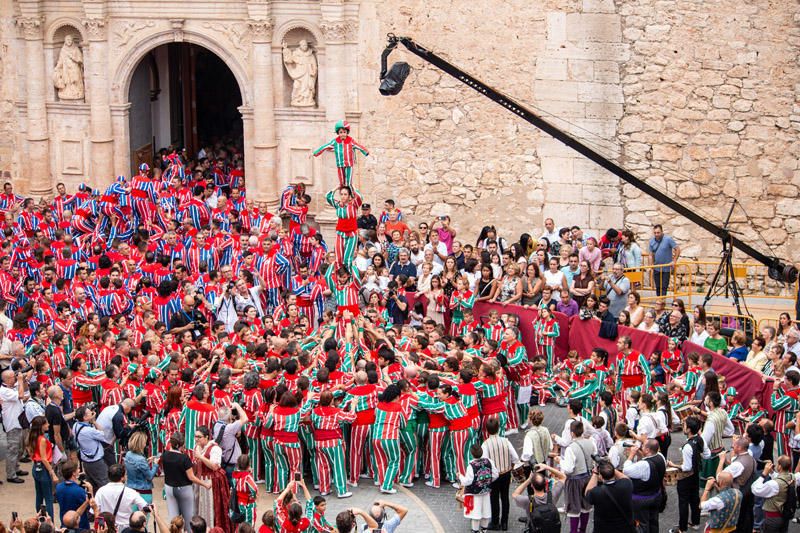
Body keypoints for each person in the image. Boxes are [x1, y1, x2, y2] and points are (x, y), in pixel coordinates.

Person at [162, 432, 212, 530]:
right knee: (189, 520)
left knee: (174, 520)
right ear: (182, 445)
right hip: (184, 489)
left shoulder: (165, 455)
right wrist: (205, 484)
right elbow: (191, 477)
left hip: (169, 489)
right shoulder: (184, 458)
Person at [667, 416, 708, 533]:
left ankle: (682, 528)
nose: (683, 427)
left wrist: (673, 465)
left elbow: (686, 467)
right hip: (696, 475)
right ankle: (695, 523)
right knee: (695, 499)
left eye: (684, 425)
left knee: (683, 502)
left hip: (686, 478)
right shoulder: (700, 439)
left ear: (689, 429)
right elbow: (707, 454)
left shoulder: (687, 447)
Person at [482, 417, 520, 531]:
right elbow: (516, 457)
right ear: (498, 429)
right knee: (505, 497)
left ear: (487, 430)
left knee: (494, 498)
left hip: (494, 477)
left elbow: (485, 462)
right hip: (506, 473)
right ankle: (505, 522)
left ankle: (495, 522)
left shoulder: (485, 445)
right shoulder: (505, 441)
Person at [622, 439, 667, 533]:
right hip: (656, 495)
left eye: (643, 446)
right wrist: (640, 453)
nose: (641, 447)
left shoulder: (644, 465)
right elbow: (648, 460)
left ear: (647, 450)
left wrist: (632, 454)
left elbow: (626, 470)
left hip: (642, 499)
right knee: (654, 522)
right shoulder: (661, 456)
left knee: (642, 525)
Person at [560, 420, 596, 533]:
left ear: (572, 433)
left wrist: (560, 461)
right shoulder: (591, 442)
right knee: (586, 507)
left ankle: (574, 531)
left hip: (574, 481)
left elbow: (568, 469)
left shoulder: (571, 448)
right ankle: (583, 530)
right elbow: (595, 458)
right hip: (589, 478)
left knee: (574, 509)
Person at [585, 461, 635, 533]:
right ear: (614, 473)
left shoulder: (597, 492)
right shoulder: (626, 484)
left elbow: (587, 493)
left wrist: (595, 473)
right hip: (625, 528)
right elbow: (624, 477)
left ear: (601, 476)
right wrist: (609, 467)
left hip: (603, 529)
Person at [94, 464, 149, 531]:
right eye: (125, 474)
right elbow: (146, 507)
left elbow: (96, 510)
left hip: (107, 528)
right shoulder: (131, 492)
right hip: (126, 528)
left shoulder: (100, 491)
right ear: (122, 477)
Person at [751, 455, 798, 533]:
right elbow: (781, 478)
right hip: (785, 515)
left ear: (779, 466)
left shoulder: (773, 484)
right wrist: (772, 472)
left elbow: (755, 489)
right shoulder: (793, 477)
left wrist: (764, 474)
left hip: (773, 518)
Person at [513, 465, 565, 533]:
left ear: (532, 486)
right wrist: (546, 467)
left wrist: (528, 480)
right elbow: (563, 477)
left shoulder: (529, 500)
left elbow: (515, 494)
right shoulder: (551, 496)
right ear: (545, 484)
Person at [459, 443, 498, 533]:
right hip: (486, 491)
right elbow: (495, 475)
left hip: (475, 494)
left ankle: (475, 531)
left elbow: (467, 481)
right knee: (486, 512)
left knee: (476, 514)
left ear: (472, 454)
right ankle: (484, 531)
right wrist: (487, 481)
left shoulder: (471, 465)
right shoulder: (489, 461)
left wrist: (460, 476)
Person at [1, 368, 29, 483]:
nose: (16, 378)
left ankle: (15, 468)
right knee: (12, 449)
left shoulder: (10, 388)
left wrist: (24, 380)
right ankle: (11, 475)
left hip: (18, 422)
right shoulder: (4, 390)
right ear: (7, 379)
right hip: (12, 424)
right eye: (13, 377)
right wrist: (21, 381)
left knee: (18, 448)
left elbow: (24, 391)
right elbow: (21, 395)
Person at [73, 404, 111, 489]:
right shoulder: (89, 431)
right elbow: (103, 434)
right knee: (104, 484)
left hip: (86, 461)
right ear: (85, 418)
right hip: (96, 462)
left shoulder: (75, 426)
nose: (91, 413)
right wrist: (94, 421)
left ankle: (92, 501)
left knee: (92, 485)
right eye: (89, 413)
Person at [27, 415, 58, 518]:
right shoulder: (42, 440)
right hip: (44, 469)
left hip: (36, 467)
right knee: (48, 497)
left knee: (39, 495)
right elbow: (44, 458)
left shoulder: (32, 437)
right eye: (46, 423)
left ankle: (39, 518)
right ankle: (50, 522)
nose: (48, 425)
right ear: (41, 426)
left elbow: (31, 452)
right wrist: (52, 473)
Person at [55, 460, 92, 530]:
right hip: (80, 525)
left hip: (65, 523)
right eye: (77, 468)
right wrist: (90, 489)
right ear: (73, 473)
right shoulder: (79, 491)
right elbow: (89, 506)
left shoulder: (58, 487)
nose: (79, 470)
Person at [648, 224, 680, 296]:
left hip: (666, 267)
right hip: (656, 267)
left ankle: (662, 301)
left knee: (664, 286)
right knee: (658, 287)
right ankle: (659, 301)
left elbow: (677, 249)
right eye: (655, 233)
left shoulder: (668, 239)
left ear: (662, 232)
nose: (656, 234)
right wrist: (650, 266)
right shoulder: (651, 241)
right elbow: (650, 254)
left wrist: (674, 260)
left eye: (658, 232)